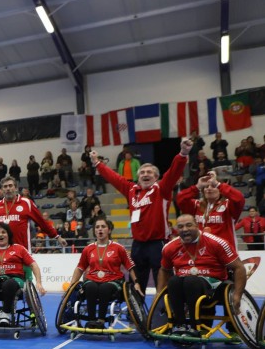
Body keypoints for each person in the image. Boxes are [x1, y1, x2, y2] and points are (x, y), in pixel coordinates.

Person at [90, 139, 190, 290]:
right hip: (138, 245)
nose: (145, 174)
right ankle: (136, 312)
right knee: (136, 284)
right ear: (138, 177)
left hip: (158, 244)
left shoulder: (161, 189)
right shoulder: (131, 190)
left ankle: (162, 312)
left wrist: (183, 154)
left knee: (162, 284)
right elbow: (114, 177)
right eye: (142, 172)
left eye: (149, 172)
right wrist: (97, 163)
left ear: (156, 177)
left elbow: (173, 172)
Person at [157, 214, 245, 337]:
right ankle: (180, 325)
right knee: (174, 281)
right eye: (180, 226)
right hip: (183, 284)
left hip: (214, 285)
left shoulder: (216, 242)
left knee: (191, 281)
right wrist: (158, 294)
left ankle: (194, 326)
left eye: (189, 225)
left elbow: (239, 268)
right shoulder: (169, 247)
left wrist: (237, 295)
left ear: (197, 226)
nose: (185, 229)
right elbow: (164, 270)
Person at [68, 218, 139, 328]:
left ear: (109, 230)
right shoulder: (88, 249)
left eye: (103, 227)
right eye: (97, 227)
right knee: (90, 287)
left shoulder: (118, 248)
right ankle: (92, 320)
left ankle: (101, 320)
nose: (100, 229)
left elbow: (130, 266)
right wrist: (71, 285)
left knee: (104, 288)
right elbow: (80, 268)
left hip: (113, 281)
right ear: (94, 231)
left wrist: (136, 282)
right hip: (93, 279)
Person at [0, 177, 66, 252]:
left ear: (16, 188)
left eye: (10, 186)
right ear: (2, 190)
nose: (8, 188)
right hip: (3, 252)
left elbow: (41, 222)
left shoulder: (26, 203)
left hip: (23, 251)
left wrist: (57, 236)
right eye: (5, 186)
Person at [176, 170, 245, 248]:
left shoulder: (228, 205)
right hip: (201, 251)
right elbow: (180, 199)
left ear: (220, 190)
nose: (209, 189)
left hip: (224, 252)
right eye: (206, 187)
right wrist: (197, 186)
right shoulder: (196, 205)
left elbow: (239, 198)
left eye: (213, 186)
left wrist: (218, 184)